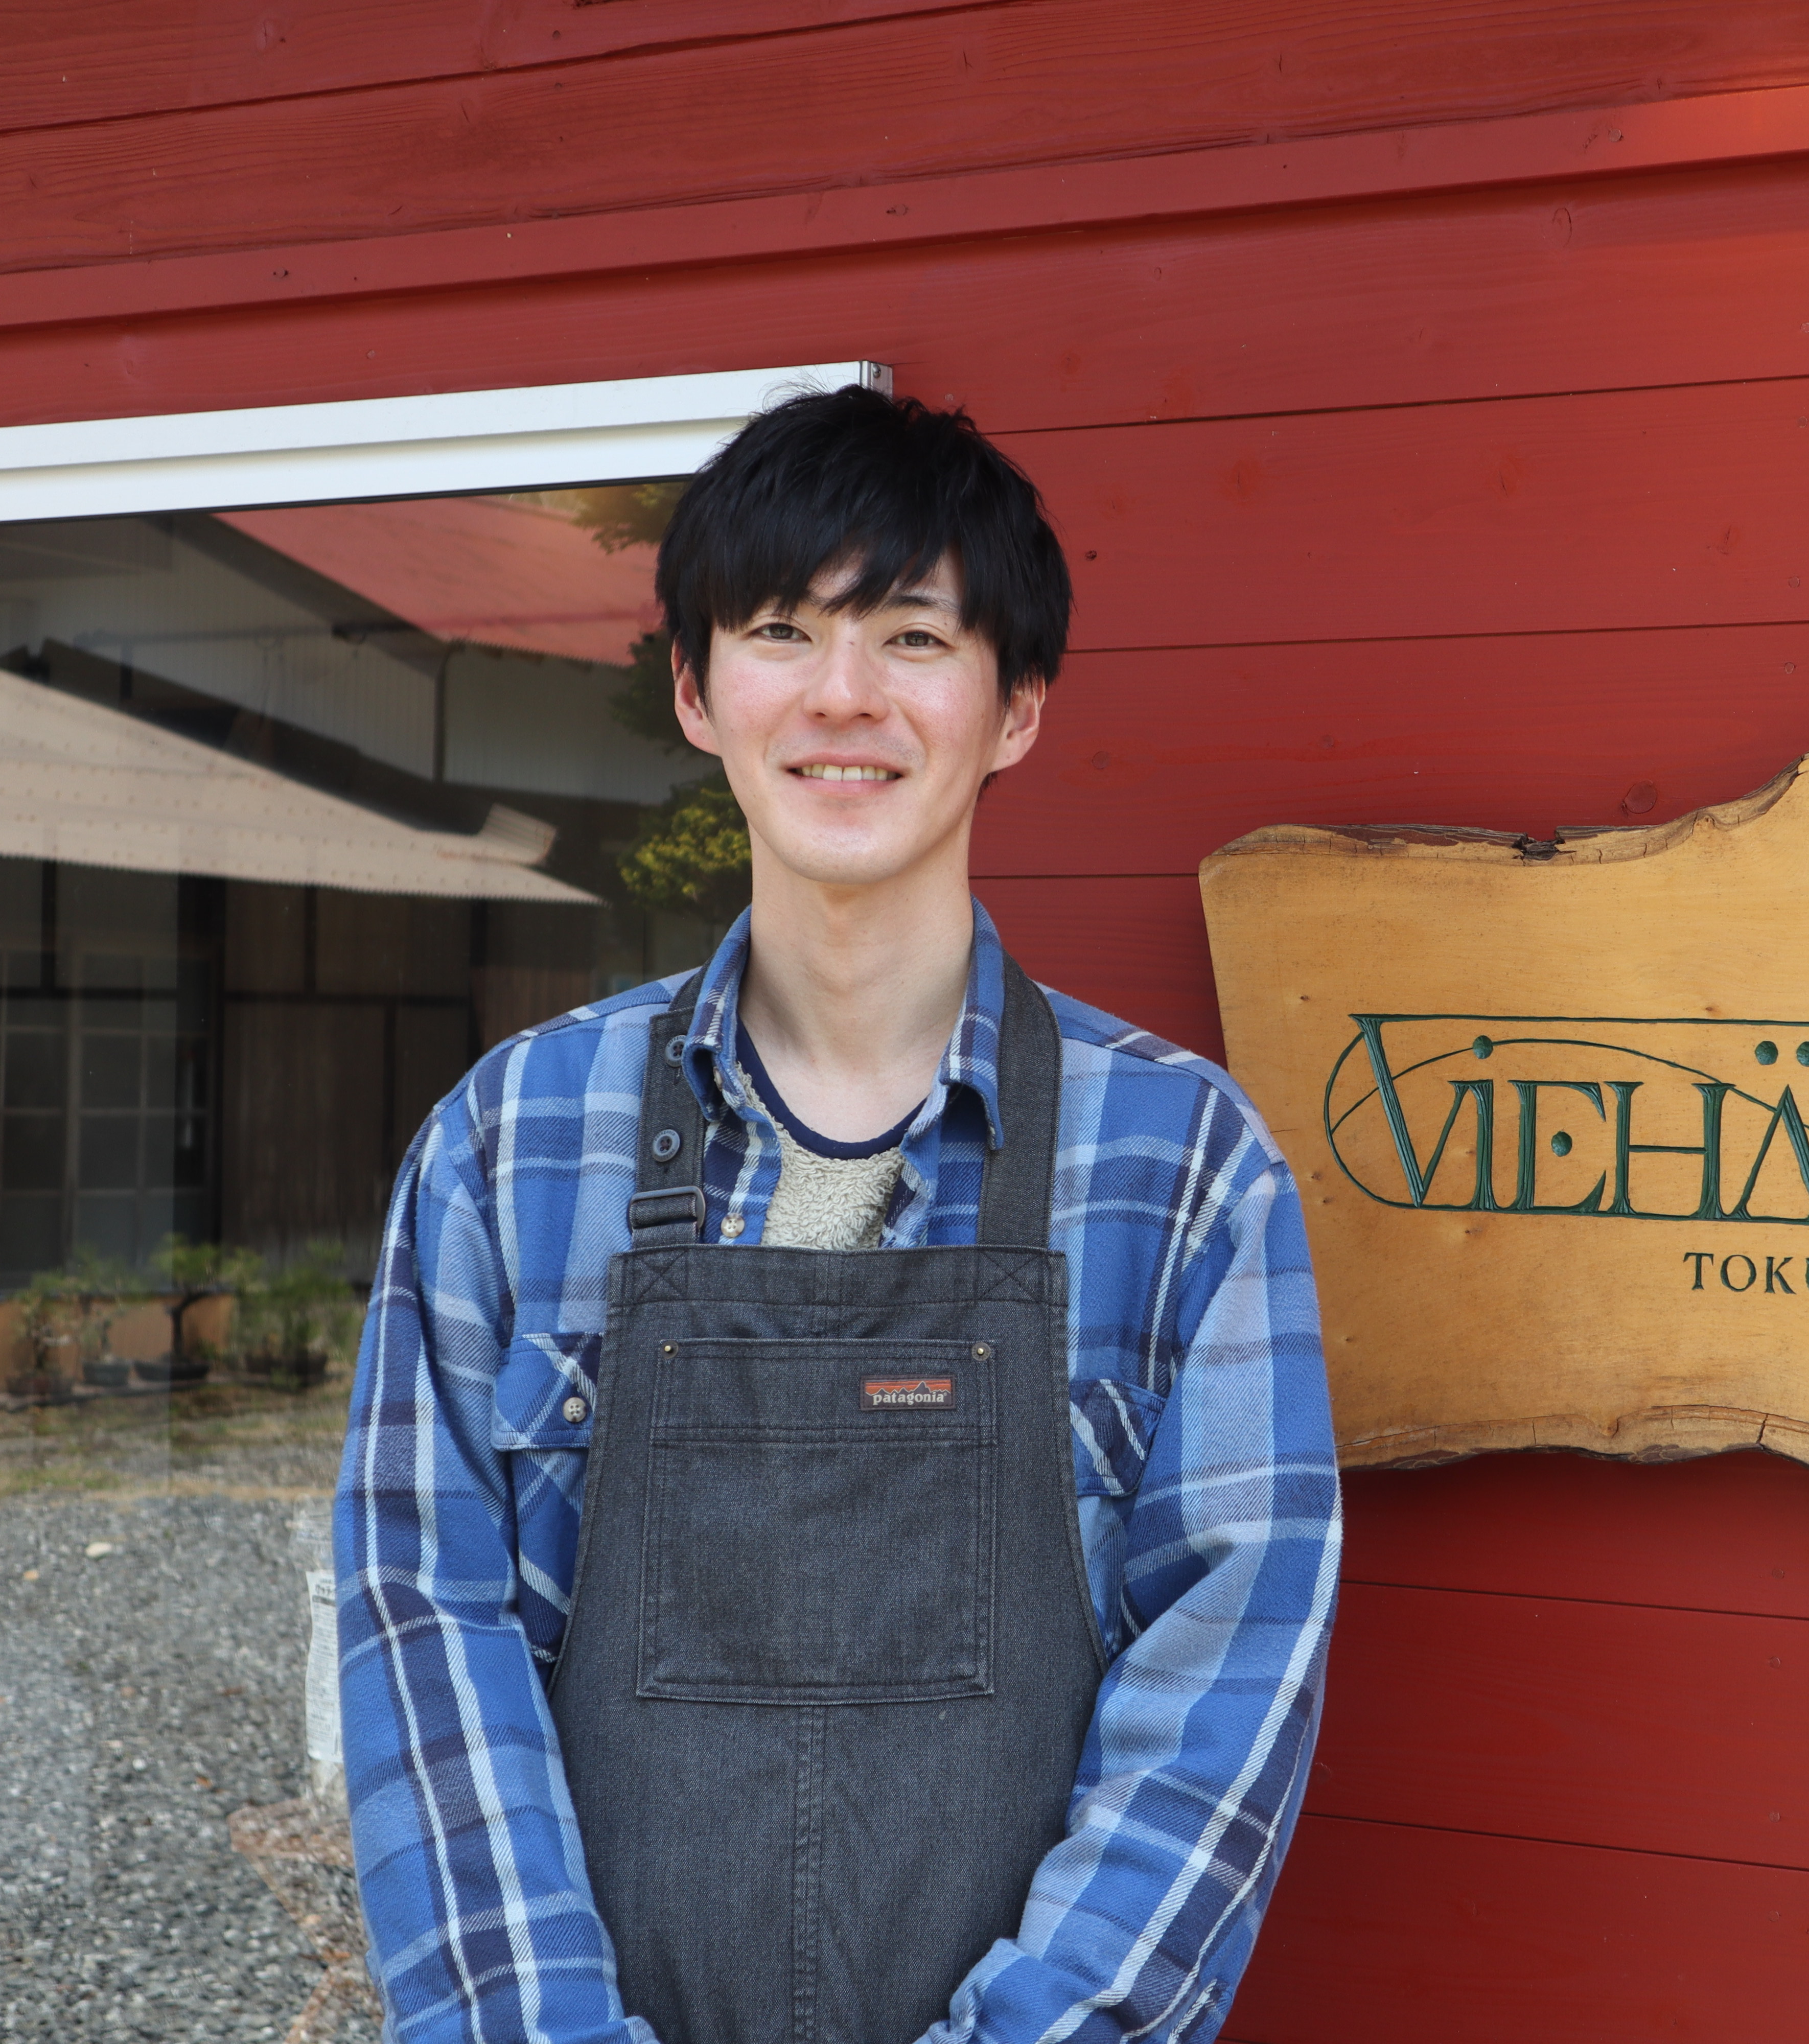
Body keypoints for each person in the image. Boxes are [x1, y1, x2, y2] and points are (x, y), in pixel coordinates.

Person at [334, 385, 1341, 2044]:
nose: (844, 698)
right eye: (784, 630)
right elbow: (421, 1631)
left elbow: (1223, 1702)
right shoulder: (512, 1146)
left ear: (1016, 706)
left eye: (915, 638)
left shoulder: (1186, 1171)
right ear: (695, 690)